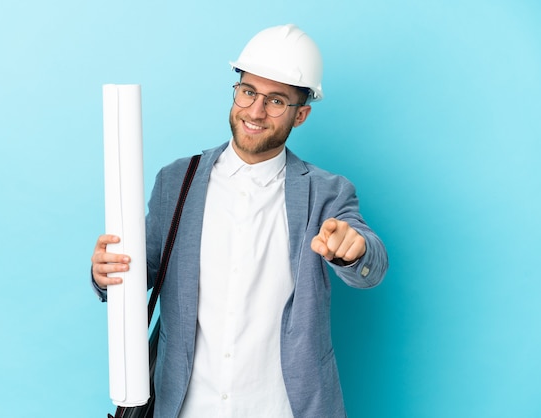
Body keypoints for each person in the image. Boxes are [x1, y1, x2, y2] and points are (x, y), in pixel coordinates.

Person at [91, 24, 388, 418]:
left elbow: (371, 266)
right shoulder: (177, 181)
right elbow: (139, 273)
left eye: (277, 101)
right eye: (248, 92)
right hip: (185, 407)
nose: (256, 111)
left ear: (301, 115)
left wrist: (354, 250)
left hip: (283, 409)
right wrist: (105, 271)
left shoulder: (328, 193)